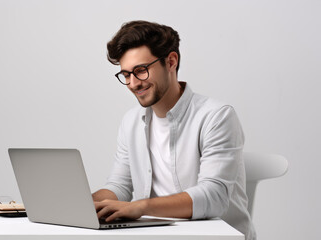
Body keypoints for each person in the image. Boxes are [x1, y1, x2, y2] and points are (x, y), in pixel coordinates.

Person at [92, 20, 256, 240]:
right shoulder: (131, 121)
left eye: (140, 71)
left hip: (214, 236)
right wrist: (87, 203)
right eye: (126, 75)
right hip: (156, 235)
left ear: (171, 61)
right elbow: (119, 185)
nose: (133, 83)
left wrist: (141, 207)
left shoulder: (217, 116)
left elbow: (214, 196)